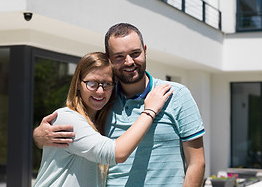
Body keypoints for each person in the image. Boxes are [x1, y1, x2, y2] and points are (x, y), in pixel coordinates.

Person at [34, 23, 206, 187]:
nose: (129, 61)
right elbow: (82, 131)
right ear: (109, 59)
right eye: (119, 56)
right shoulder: (103, 100)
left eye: (135, 53)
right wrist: (39, 136)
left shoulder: (176, 94)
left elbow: (197, 162)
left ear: (145, 51)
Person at [33, 52, 172, 187]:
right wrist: (150, 111)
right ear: (78, 85)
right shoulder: (68, 118)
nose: (100, 91)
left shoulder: (100, 122)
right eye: (92, 83)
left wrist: (37, 137)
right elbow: (117, 153)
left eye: (107, 84)